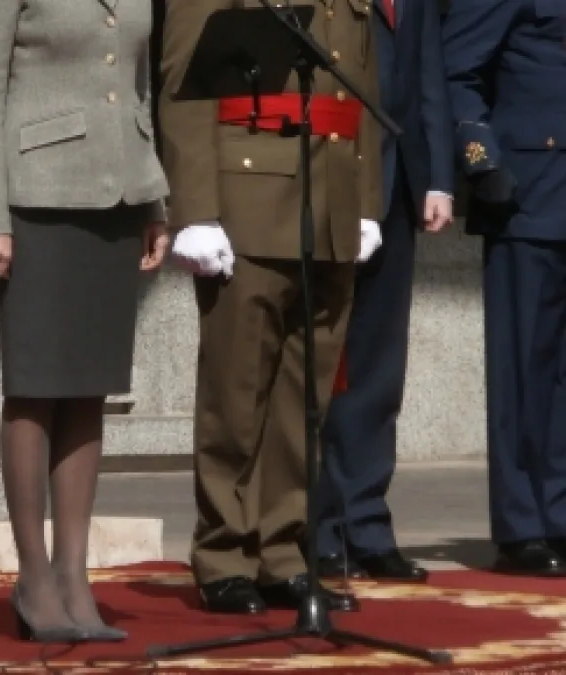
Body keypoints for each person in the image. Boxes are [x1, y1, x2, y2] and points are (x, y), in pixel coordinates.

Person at [158, 0, 384, 614]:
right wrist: (196, 211)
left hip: (330, 204)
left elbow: (360, 86)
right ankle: (224, 553)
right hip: (249, 201)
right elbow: (185, 87)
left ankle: (282, 551)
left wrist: (365, 199)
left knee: (302, 400)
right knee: (236, 395)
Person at [0, 0, 170, 643]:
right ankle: (34, 579)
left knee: (88, 387)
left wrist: (154, 199)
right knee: (35, 384)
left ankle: (74, 576)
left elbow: (138, 86)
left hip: (118, 198)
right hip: (37, 197)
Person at [314, 0, 455, 583]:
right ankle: (318, 526)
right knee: (322, 363)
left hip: (398, 187)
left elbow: (427, 74)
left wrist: (439, 176)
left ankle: (367, 524)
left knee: (378, 370)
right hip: (333, 181)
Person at [442, 0, 566, 577]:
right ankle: (523, 527)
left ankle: (560, 515)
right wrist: (482, 161)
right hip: (531, 194)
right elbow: (458, 69)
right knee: (522, 372)